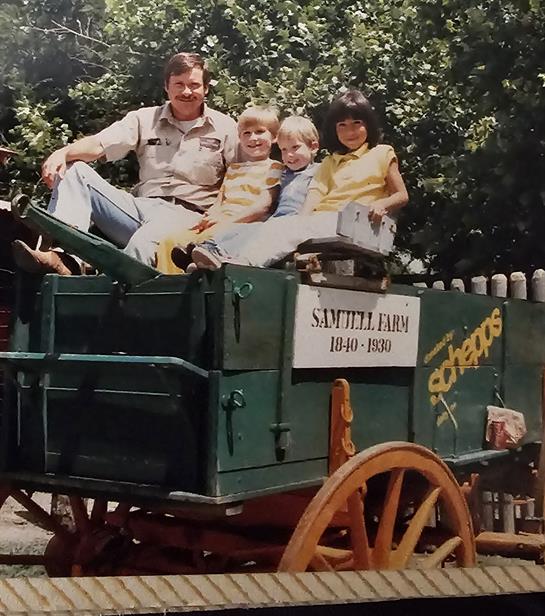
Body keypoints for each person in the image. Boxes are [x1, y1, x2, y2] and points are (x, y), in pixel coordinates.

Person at [11, 52, 238, 275]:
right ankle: (67, 258)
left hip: (189, 216)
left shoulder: (226, 127)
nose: (187, 91)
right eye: (179, 84)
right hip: (140, 207)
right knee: (75, 171)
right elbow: (100, 144)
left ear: (206, 89)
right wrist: (63, 152)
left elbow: (246, 176)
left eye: (194, 85)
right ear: (167, 87)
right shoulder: (144, 119)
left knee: (141, 245)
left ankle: (108, 299)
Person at [192, 89, 408, 269]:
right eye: (342, 125)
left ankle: (243, 263)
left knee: (290, 228)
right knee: (268, 226)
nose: (350, 131)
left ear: (368, 124)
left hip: (356, 221)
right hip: (326, 220)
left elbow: (401, 195)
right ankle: (213, 253)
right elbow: (316, 194)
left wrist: (383, 203)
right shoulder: (331, 162)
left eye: (356, 123)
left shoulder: (382, 153)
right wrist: (300, 220)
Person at [155, 106, 283, 273]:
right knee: (170, 241)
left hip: (243, 224)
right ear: (239, 138)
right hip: (220, 220)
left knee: (203, 242)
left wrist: (225, 222)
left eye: (260, 132)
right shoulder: (234, 168)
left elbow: (262, 207)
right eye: (247, 133)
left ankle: (193, 286)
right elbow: (219, 201)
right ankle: (168, 287)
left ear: (274, 137)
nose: (253, 138)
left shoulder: (275, 168)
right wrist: (207, 219)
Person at [190, 115, 320, 270]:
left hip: (293, 224)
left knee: (259, 237)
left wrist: (301, 222)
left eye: (295, 148)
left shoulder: (317, 171)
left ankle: (229, 262)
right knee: (244, 229)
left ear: (313, 147)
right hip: (275, 221)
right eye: (284, 150)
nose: (289, 155)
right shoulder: (285, 174)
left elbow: (314, 199)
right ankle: (208, 252)